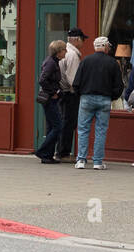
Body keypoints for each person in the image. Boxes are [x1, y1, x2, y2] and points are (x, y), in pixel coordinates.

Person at [70, 35, 124, 169]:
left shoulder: (86, 61)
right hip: (104, 99)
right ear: (106, 47)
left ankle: (81, 160)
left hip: (86, 98)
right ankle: (98, 162)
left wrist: (80, 94)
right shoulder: (113, 63)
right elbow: (119, 85)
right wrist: (113, 97)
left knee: (83, 129)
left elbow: (76, 83)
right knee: (101, 130)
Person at [32, 39, 68, 164]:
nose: (66, 52)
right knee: (58, 126)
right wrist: (54, 92)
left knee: (52, 126)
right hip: (49, 99)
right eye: (64, 49)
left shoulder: (53, 62)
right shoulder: (51, 63)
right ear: (59, 51)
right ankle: (42, 151)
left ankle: (47, 156)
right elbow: (42, 80)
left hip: (50, 98)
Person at [55, 27, 87, 160]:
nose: (84, 43)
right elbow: (72, 78)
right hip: (69, 94)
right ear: (77, 40)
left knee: (64, 121)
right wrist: (77, 92)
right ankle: (64, 153)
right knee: (68, 123)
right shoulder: (73, 55)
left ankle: (60, 151)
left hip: (61, 92)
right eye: (83, 39)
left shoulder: (65, 52)